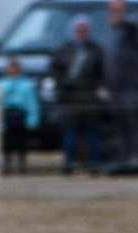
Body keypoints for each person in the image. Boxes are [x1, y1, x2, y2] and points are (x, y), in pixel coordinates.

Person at [50, 16, 105, 174]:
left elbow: (102, 72)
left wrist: (98, 90)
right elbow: (54, 72)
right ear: (72, 31)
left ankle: (95, 166)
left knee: (93, 134)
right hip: (69, 100)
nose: (81, 33)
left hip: (90, 99)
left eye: (84, 30)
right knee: (70, 135)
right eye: (78, 30)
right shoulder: (62, 50)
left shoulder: (96, 49)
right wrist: (64, 85)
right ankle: (68, 165)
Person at [105, 0, 138, 173]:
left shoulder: (132, 30)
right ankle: (122, 162)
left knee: (135, 126)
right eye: (112, 9)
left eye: (118, 9)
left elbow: (134, 28)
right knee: (119, 128)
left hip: (133, 90)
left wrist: (123, 20)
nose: (114, 12)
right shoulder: (112, 33)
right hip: (115, 91)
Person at [0, 56, 40, 173]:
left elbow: (31, 103)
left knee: (21, 142)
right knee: (7, 142)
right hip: (7, 115)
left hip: (20, 115)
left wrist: (32, 119)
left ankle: (22, 164)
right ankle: (7, 164)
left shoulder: (26, 85)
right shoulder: (1, 84)